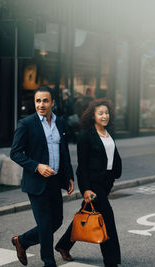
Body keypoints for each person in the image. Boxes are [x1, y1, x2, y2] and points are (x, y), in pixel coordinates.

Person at [10, 86, 74, 267]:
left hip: (55, 180)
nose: (41, 104)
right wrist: (36, 166)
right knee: (45, 224)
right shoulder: (26, 123)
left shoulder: (60, 123)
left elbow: (64, 151)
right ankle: (48, 262)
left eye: (45, 100)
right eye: (38, 101)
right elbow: (15, 153)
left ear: (52, 102)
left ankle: (21, 241)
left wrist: (68, 176)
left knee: (56, 222)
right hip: (37, 182)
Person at [55, 98, 122, 267]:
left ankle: (63, 245)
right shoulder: (85, 135)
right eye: (100, 113)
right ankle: (112, 262)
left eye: (106, 113)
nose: (104, 116)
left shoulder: (109, 131)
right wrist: (85, 189)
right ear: (93, 116)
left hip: (106, 182)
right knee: (107, 220)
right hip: (93, 184)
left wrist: (114, 174)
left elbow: (112, 154)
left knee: (86, 213)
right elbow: (82, 166)